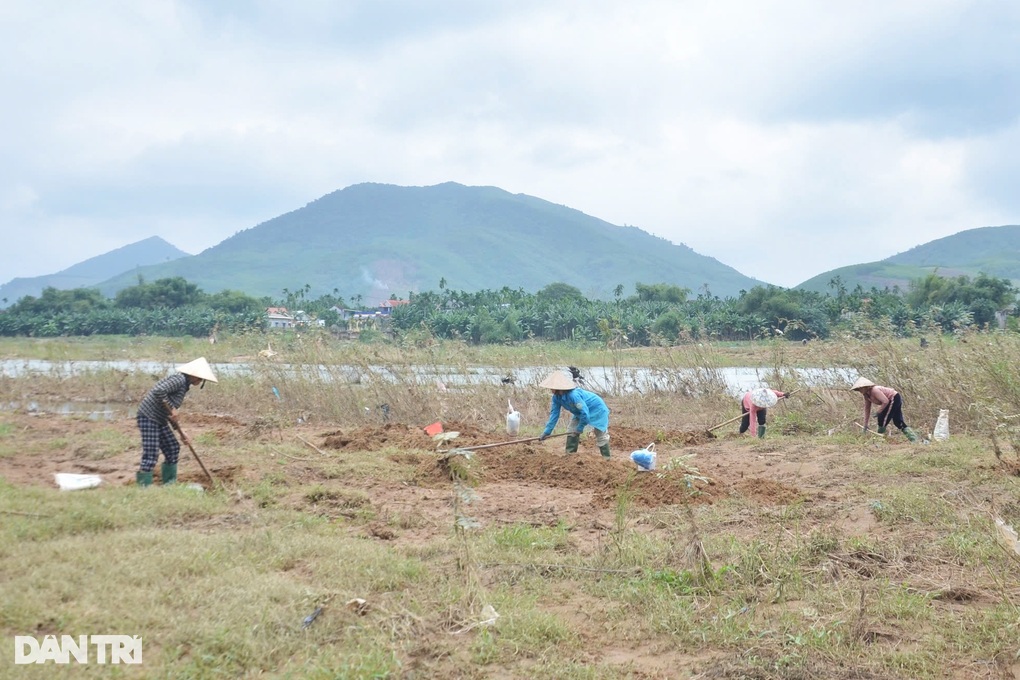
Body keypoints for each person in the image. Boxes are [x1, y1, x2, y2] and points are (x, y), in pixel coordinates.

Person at [135, 357, 218, 486]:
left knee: (172, 447)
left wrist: (182, 433)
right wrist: (172, 408)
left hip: (160, 418)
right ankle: (143, 489)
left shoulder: (184, 385)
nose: (201, 381)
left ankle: (169, 485)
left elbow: (169, 412)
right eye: (201, 378)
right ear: (194, 375)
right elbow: (159, 391)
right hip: (148, 416)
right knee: (151, 454)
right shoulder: (179, 379)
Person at [539, 370, 611, 458]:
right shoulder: (556, 398)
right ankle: (570, 456)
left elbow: (585, 413)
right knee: (571, 430)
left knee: (600, 433)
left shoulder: (573, 395)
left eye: (552, 388)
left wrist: (580, 428)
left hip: (597, 410)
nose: (550, 390)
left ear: (558, 388)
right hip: (580, 413)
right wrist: (547, 432)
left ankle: (606, 459)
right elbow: (554, 414)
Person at [851, 377, 918, 442]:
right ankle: (914, 439)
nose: (859, 390)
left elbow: (885, 401)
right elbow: (867, 408)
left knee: (882, 419)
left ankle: (879, 438)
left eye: (860, 388)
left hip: (893, 398)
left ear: (865, 387)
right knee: (897, 421)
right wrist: (865, 424)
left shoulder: (874, 390)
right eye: (858, 389)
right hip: (892, 400)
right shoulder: (866, 395)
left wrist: (878, 412)